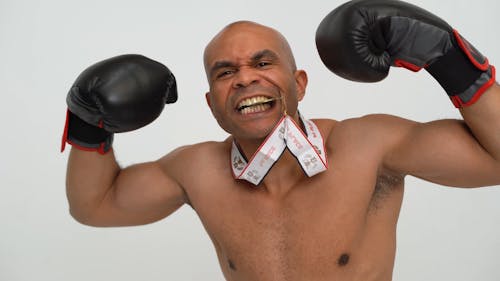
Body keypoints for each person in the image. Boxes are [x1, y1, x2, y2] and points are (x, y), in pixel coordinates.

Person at [62, 0, 500, 280]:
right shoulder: (198, 171)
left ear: (299, 84)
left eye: (263, 63)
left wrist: (447, 57)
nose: (245, 78)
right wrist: (88, 123)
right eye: (225, 72)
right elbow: (93, 206)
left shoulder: (370, 146)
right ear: (212, 104)